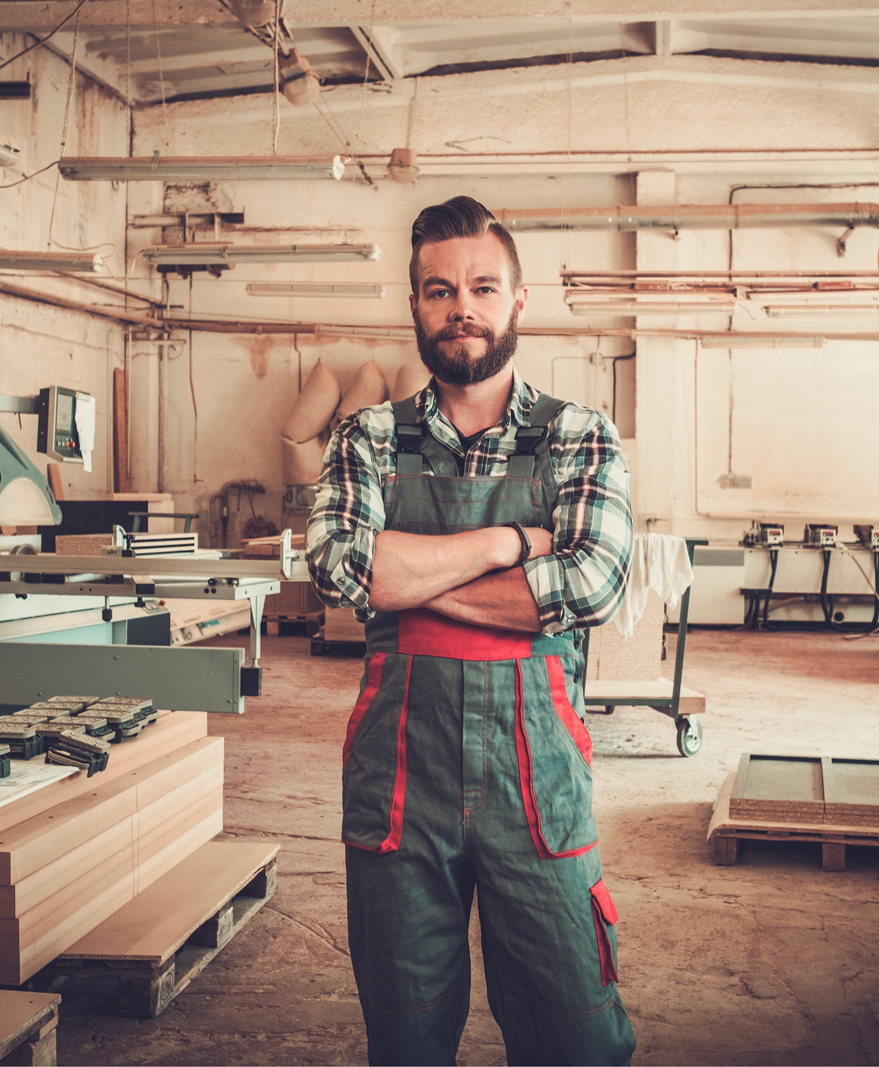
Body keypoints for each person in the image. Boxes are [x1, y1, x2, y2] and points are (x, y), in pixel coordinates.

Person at [307, 195, 637, 1066]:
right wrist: (506, 544)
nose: (463, 306)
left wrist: (410, 578)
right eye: (440, 289)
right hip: (399, 779)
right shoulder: (367, 437)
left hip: (538, 778)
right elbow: (346, 568)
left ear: (518, 300)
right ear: (415, 305)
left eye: (483, 287)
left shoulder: (579, 438)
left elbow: (590, 586)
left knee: (575, 1030)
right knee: (405, 1031)